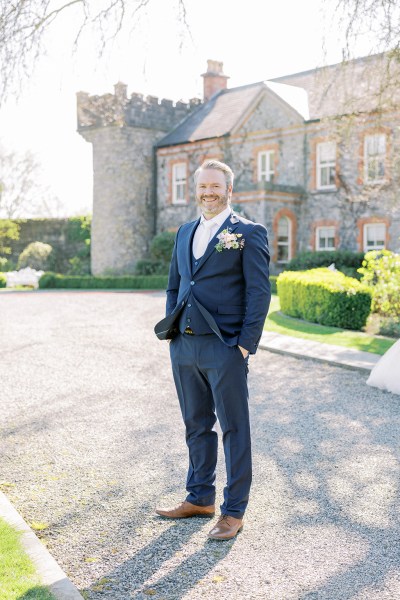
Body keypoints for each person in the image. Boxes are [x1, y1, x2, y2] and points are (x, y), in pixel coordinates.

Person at [154, 159, 271, 540]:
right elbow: (175, 284)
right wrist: (173, 328)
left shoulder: (248, 233)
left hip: (225, 348)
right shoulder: (184, 231)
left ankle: (233, 511)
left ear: (229, 190)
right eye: (203, 186)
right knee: (196, 426)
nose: (208, 192)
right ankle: (199, 496)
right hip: (184, 346)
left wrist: (243, 347)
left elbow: (258, 293)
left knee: (235, 429)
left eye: (215, 187)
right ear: (197, 189)